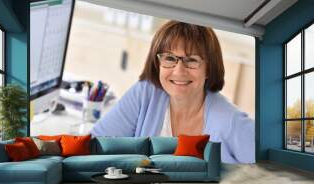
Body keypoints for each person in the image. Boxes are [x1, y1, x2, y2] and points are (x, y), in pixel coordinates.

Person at [91, 21, 255, 164]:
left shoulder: (231, 121)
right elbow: (93, 145)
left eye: (191, 60)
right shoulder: (145, 94)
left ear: (209, 69)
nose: (179, 71)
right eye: (169, 58)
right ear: (158, 63)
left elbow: (270, 171)